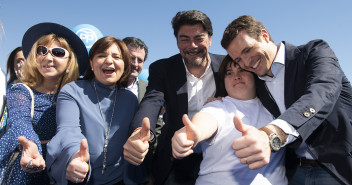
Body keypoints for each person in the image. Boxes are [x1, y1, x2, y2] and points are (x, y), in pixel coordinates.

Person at [221, 15, 352, 185]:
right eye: (238, 59)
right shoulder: (256, 82)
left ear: (264, 35)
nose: (246, 62)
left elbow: (321, 91)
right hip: (295, 172)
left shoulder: (314, 51)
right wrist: (218, 99)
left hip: (338, 168)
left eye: (247, 50)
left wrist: (273, 134)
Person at [123, 10, 225, 185]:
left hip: (221, 155)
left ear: (210, 39)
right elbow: (152, 101)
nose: (192, 45)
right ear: (177, 42)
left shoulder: (227, 66)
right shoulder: (163, 69)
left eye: (199, 38)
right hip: (176, 159)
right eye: (184, 39)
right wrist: (140, 132)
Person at [171, 55, 287, 184]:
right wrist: (194, 132)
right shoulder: (217, 106)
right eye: (229, 73)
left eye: (242, 70)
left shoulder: (275, 108)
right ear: (223, 81)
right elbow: (206, 119)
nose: (236, 76)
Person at [0, 22, 87, 184]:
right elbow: (20, 121)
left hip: (62, 167)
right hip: (26, 165)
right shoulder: (21, 91)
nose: (48, 57)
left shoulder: (77, 93)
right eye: (42, 51)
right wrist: (31, 145)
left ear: (70, 61)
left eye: (58, 52)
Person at [46, 36, 139, 185]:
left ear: (125, 65)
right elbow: (68, 130)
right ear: (91, 62)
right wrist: (73, 155)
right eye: (102, 55)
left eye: (116, 57)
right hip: (80, 179)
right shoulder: (72, 90)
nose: (109, 61)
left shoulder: (131, 99)